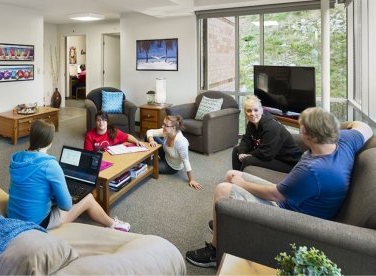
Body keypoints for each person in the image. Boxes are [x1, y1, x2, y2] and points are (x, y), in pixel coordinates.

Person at [185, 107, 373, 268]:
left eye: (301, 126)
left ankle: (215, 252)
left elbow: (276, 194)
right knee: (230, 175)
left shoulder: (313, 170)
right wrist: (341, 125)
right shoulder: (346, 141)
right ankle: (226, 223)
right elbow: (364, 127)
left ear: (307, 133)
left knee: (223, 190)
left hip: (293, 213)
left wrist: (242, 185)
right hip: (295, 194)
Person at [7, 119, 130, 232]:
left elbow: (27, 185)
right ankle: (113, 225)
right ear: (50, 141)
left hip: (13, 215)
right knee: (88, 198)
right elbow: (66, 206)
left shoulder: (17, 157)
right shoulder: (50, 165)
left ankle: (112, 224)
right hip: (35, 223)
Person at [232, 95, 303, 173]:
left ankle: (239, 180)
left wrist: (248, 154)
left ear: (261, 110)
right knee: (237, 150)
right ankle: (234, 175)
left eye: (256, 110)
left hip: (289, 163)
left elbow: (266, 154)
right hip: (273, 155)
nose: (252, 114)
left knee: (248, 160)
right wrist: (242, 152)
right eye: (249, 111)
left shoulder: (271, 127)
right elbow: (246, 139)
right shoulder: (251, 123)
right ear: (245, 112)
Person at [146, 115, 202, 190]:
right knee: (149, 137)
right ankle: (152, 156)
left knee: (146, 165)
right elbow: (149, 131)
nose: (163, 126)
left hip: (172, 166)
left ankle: (152, 159)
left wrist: (191, 179)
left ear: (174, 127)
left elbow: (186, 161)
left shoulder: (181, 142)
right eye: (163, 124)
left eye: (166, 125)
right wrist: (151, 140)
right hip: (166, 153)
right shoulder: (166, 131)